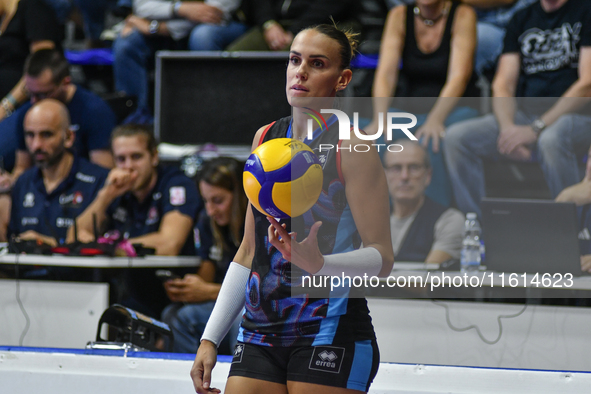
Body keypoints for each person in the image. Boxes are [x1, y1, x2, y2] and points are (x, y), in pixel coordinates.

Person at [190, 24, 394, 394]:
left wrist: (322, 265)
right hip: (259, 331)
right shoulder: (265, 137)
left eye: (317, 63)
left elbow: (383, 258)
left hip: (330, 328)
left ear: (342, 79)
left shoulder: (354, 148)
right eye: (295, 60)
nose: (300, 71)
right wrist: (209, 337)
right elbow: (250, 251)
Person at [444, 0, 591, 218]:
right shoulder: (522, 18)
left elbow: (587, 83)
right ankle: (477, 227)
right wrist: (507, 131)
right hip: (527, 116)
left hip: (576, 116)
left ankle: (573, 229)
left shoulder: (585, 11)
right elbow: (503, 83)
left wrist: (535, 128)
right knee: (457, 138)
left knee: (551, 139)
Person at [72, 123, 201, 317]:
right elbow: (73, 237)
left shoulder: (176, 183)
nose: (129, 166)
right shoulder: (117, 191)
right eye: (121, 159)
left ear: (154, 157)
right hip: (132, 294)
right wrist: (106, 196)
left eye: (136, 157)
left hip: (172, 296)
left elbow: (169, 243)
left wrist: (113, 248)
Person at [366, 0, 480, 207]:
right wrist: (379, 119)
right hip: (411, 110)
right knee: (374, 140)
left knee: (432, 141)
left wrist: (436, 119)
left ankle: (436, 221)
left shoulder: (463, 14)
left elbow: (459, 77)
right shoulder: (399, 15)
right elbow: (386, 74)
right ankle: (389, 223)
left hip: (454, 110)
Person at [162, 157, 246, 354]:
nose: (210, 210)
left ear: (241, 195)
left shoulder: (260, 225)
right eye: (205, 201)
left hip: (254, 305)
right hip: (222, 299)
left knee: (242, 318)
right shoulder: (208, 223)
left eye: (218, 201)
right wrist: (188, 290)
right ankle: (190, 379)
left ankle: (238, 381)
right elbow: (206, 273)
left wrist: (208, 291)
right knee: (173, 315)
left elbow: (261, 291)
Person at [112, 0, 247, 122]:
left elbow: (215, 14)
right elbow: (142, 7)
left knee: (203, 37)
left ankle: (208, 116)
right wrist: (179, 8)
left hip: (221, 26)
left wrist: (159, 28)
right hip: (164, 23)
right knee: (127, 44)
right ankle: (136, 122)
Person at [0, 48, 116, 189]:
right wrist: (10, 183)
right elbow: (22, 167)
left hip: (82, 189)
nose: (35, 102)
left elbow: (103, 174)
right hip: (42, 189)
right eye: (30, 94)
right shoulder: (29, 113)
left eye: (42, 94)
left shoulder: (94, 112)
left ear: (65, 83)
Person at [6, 99, 109, 250]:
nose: (36, 145)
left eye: (46, 135)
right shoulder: (23, 182)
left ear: (68, 137)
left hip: (79, 272)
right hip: (26, 273)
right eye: (30, 135)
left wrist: (48, 245)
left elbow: (106, 244)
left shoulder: (98, 181)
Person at [384, 140, 463, 264]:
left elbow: (425, 280)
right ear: (384, 175)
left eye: (414, 168)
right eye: (396, 168)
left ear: (428, 175)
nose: (404, 176)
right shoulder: (371, 221)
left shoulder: (449, 220)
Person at [0, 0, 62, 120]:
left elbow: (42, 68)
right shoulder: (3, 19)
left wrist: (6, 106)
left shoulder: (33, 9)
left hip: (25, 105)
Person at [227, 0, 360, 51]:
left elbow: (333, 5)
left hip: (327, 23)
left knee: (292, 58)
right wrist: (268, 24)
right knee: (234, 58)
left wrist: (295, 31)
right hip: (275, 24)